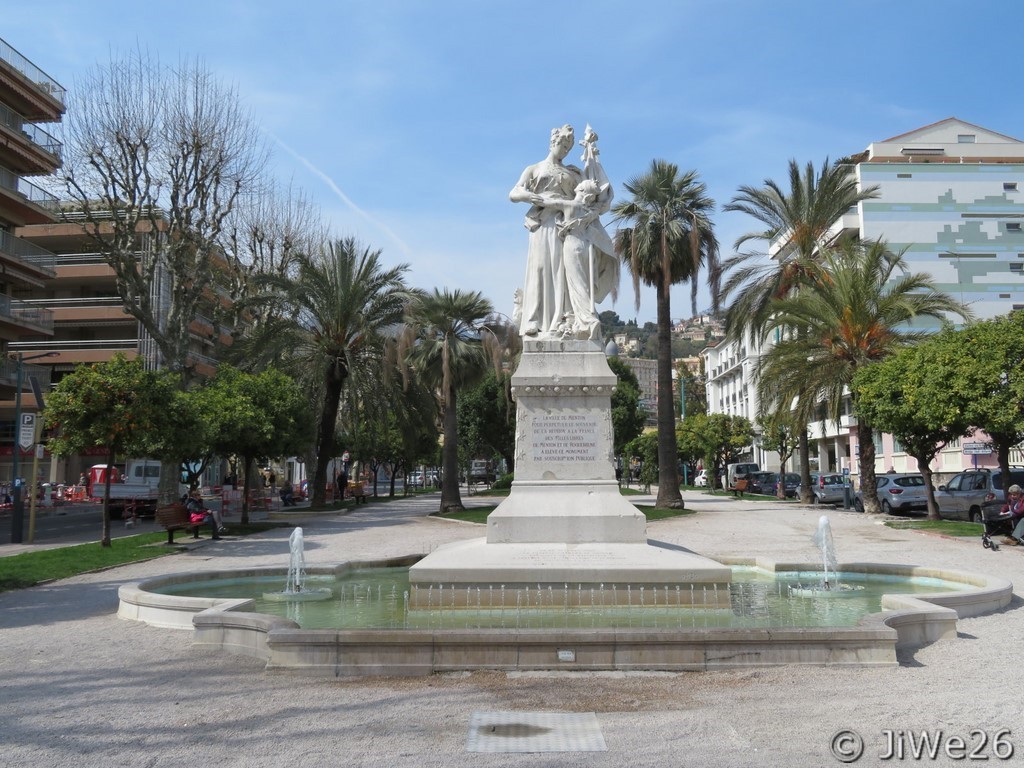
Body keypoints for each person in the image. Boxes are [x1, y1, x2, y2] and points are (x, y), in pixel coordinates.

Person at [510, 124, 618, 340]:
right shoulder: (534, 168)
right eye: (563, 144)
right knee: (541, 268)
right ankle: (535, 320)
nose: (566, 150)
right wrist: (531, 197)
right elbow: (514, 192)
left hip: (566, 226)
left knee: (562, 272)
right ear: (553, 142)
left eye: (569, 147)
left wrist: (591, 155)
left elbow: (591, 190)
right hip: (542, 225)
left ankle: (564, 320)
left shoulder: (572, 172)